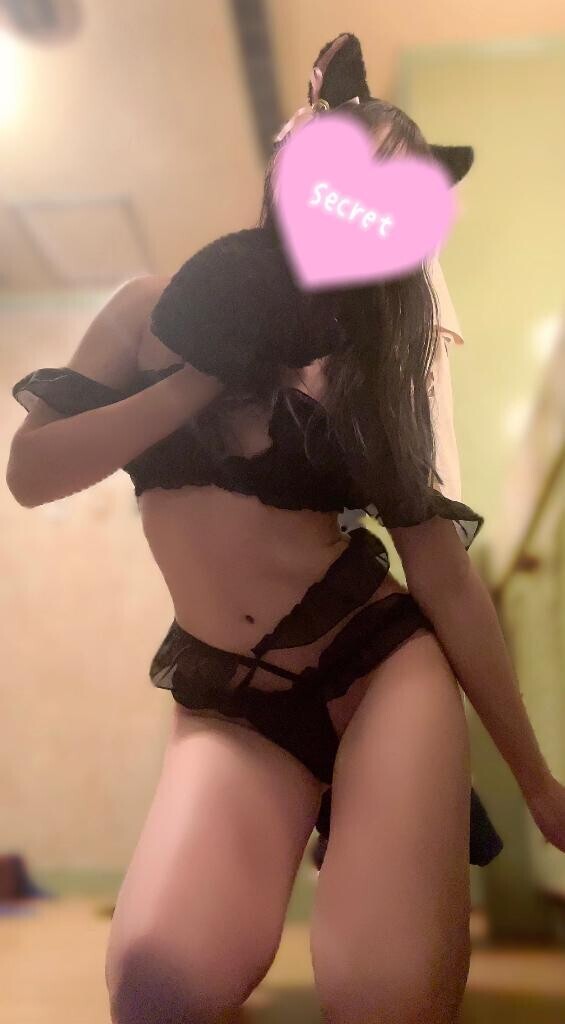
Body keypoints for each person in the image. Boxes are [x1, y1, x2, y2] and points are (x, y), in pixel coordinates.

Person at [7, 30, 565, 1024]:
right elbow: (32, 472)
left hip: (377, 660)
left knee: (384, 994)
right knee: (159, 985)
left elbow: (441, 572)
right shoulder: (148, 310)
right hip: (233, 693)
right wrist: (197, 381)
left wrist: (535, 780)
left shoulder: (368, 364)